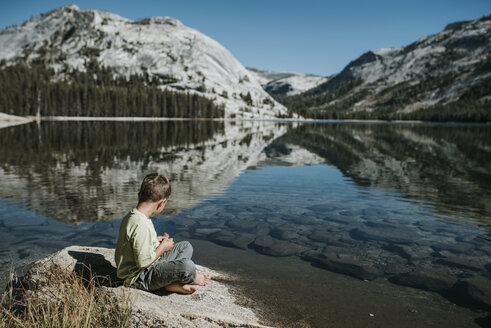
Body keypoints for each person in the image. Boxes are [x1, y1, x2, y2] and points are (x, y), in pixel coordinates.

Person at [115, 172, 210, 294]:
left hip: (149, 267)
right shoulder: (141, 224)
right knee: (188, 267)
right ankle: (183, 280)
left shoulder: (135, 216)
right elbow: (143, 263)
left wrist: (155, 240)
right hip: (139, 277)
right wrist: (162, 248)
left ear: (139, 195)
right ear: (162, 203)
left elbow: (137, 241)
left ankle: (171, 281)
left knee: (185, 246)